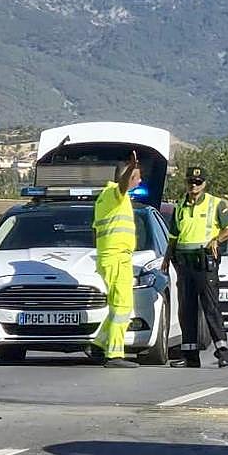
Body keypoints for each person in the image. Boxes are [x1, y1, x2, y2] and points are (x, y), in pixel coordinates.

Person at [164, 166, 228, 368]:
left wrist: (217, 239)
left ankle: (222, 351)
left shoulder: (215, 204)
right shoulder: (180, 205)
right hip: (184, 263)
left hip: (204, 262)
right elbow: (173, 236)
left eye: (198, 183)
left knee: (211, 307)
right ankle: (190, 355)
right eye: (191, 182)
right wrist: (166, 259)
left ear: (204, 184)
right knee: (186, 309)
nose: (194, 186)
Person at [90, 151, 142, 369]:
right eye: (137, 176)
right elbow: (122, 184)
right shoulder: (114, 193)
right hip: (116, 258)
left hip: (113, 257)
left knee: (118, 307)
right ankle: (114, 355)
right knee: (122, 306)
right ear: (128, 176)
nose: (139, 181)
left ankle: (100, 342)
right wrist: (131, 167)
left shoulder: (108, 197)